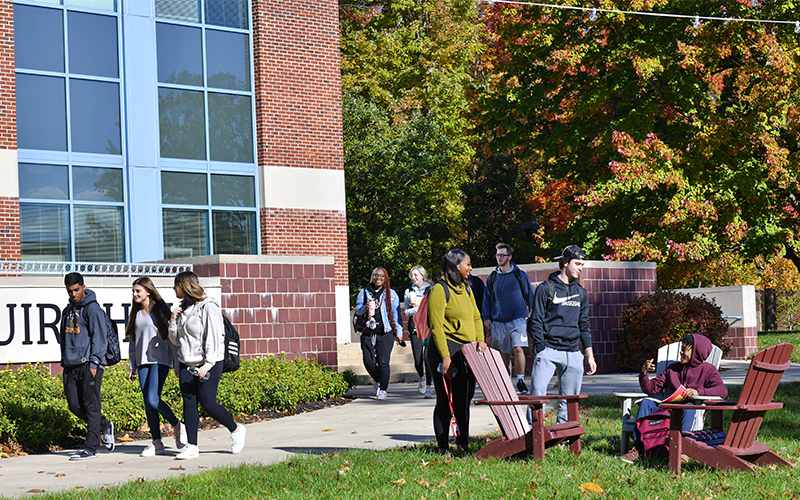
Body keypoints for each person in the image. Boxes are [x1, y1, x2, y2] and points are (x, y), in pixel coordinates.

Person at [168, 271, 245, 459]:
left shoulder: (208, 306)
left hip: (209, 361)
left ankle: (236, 429)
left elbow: (215, 336)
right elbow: (176, 341)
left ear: (184, 286)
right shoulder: (182, 309)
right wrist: (173, 321)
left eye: (176, 285)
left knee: (208, 402)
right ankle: (192, 446)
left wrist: (208, 364)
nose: (174, 289)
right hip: (186, 362)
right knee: (189, 403)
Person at [620, 333, 727, 463]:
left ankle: (683, 450)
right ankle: (638, 448)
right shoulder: (673, 369)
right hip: (669, 409)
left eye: (685, 350)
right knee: (646, 403)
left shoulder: (708, 370)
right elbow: (651, 388)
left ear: (696, 352)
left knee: (688, 407)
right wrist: (644, 373)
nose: (681, 352)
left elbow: (722, 390)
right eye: (681, 349)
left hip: (690, 412)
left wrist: (698, 392)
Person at [427, 249, 487, 454]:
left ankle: (463, 444)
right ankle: (443, 447)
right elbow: (436, 325)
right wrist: (445, 356)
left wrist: (480, 339)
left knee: (464, 400)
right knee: (446, 400)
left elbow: (477, 317)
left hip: (467, 352)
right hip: (445, 349)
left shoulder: (467, 289)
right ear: (456, 265)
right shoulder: (439, 289)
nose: (470, 268)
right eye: (467, 264)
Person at [529, 244, 596, 424]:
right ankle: (533, 433)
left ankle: (564, 434)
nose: (580, 268)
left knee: (569, 402)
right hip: (548, 350)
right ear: (565, 263)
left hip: (573, 352)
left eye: (582, 265)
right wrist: (541, 348)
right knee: (537, 396)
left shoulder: (581, 293)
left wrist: (589, 356)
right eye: (577, 264)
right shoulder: (546, 288)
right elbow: (535, 320)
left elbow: (584, 325)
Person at [126, 276, 185, 457]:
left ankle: (176, 424)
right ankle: (157, 443)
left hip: (161, 360)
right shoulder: (135, 313)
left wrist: (176, 363)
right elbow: (132, 340)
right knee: (148, 403)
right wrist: (132, 364)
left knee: (153, 399)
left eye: (138, 291)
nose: (135, 294)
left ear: (148, 291)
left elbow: (171, 338)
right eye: (133, 291)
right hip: (142, 361)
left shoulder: (160, 310)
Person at [59, 272, 115, 460]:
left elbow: (99, 337)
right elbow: (64, 338)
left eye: (76, 290)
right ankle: (104, 424)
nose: (73, 294)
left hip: (89, 364)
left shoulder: (92, 309)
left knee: (91, 406)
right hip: (70, 365)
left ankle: (91, 448)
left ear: (83, 287)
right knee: (74, 405)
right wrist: (64, 361)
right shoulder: (67, 311)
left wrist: (95, 362)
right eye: (70, 291)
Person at [482, 242, 535, 394]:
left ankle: (520, 381)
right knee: (504, 353)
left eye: (502, 255)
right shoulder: (493, 277)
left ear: (509, 257)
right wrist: (486, 317)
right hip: (498, 321)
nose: (499, 258)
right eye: (498, 255)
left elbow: (530, 296)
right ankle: (507, 383)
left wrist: (533, 314)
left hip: (518, 319)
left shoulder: (520, 275)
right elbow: (487, 299)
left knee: (518, 348)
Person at [355, 267, 403, 400]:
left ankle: (383, 389)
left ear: (385, 278)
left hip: (385, 332)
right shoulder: (364, 292)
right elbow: (357, 310)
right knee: (368, 362)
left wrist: (399, 332)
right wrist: (364, 308)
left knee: (383, 362)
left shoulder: (391, 294)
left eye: (382, 276)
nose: (378, 278)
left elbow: (396, 315)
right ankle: (378, 380)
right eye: (376, 275)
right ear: (372, 277)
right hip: (368, 332)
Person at [404, 265, 434, 398]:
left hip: (428, 328)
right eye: (412, 275)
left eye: (416, 275)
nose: (413, 277)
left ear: (422, 275)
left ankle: (428, 387)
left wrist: (420, 305)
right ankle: (422, 378)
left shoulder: (431, 289)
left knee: (428, 358)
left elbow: (432, 308)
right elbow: (407, 312)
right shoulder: (409, 291)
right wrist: (420, 307)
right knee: (418, 360)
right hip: (415, 329)